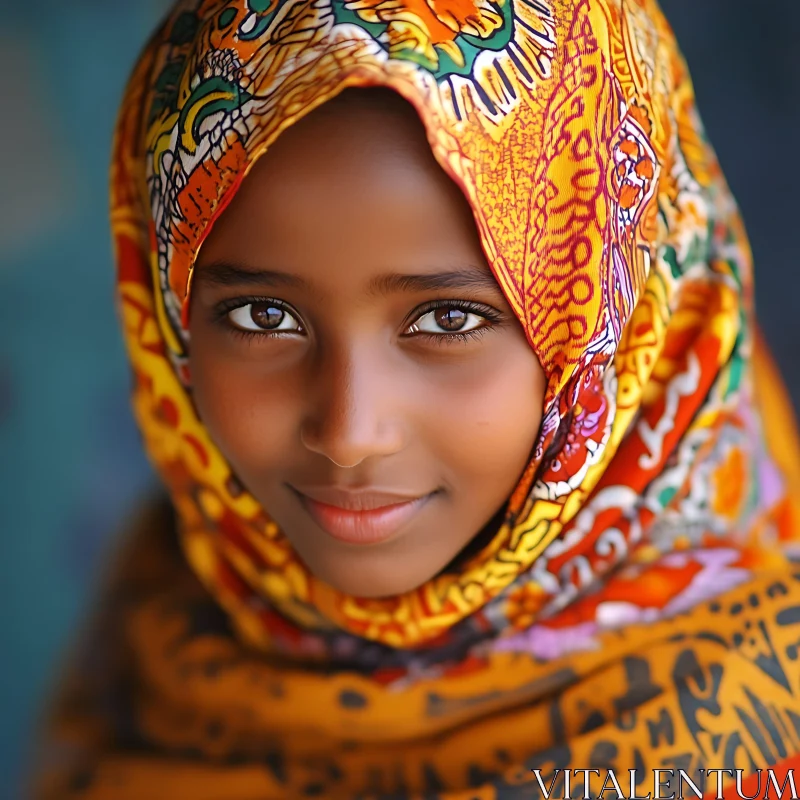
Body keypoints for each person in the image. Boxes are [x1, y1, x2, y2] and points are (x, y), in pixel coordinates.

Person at [30, 0, 800, 797]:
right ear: (169, 321)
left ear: (625, 317)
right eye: (265, 316)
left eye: (448, 319)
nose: (350, 433)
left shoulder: (766, 741)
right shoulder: (160, 619)